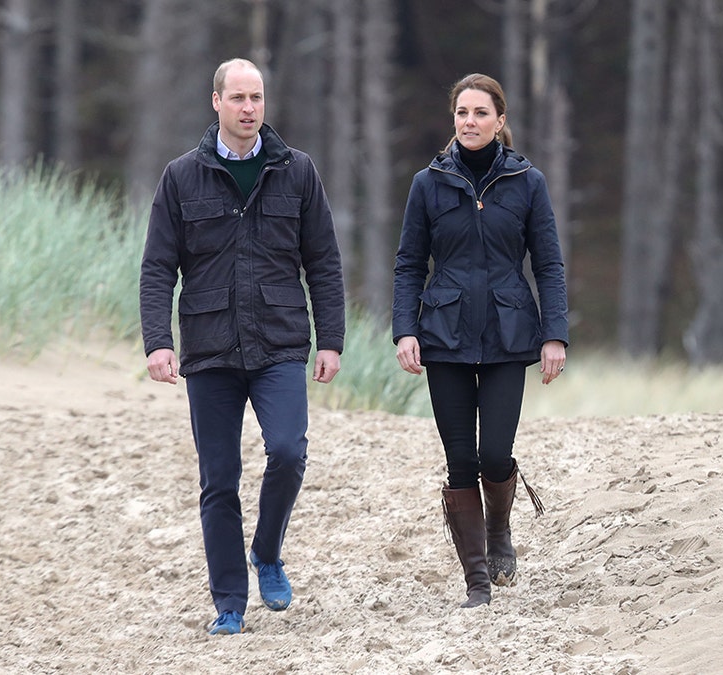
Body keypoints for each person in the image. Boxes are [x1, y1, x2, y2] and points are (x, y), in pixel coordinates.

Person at [140, 58, 345, 635]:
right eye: (238, 98)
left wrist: (330, 339)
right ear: (216, 102)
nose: (249, 108)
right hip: (208, 351)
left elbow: (323, 262)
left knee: (288, 451)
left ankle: (268, 551)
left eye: (256, 97)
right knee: (219, 479)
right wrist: (159, 342)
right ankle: (229, 602)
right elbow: (158, 267)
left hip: (280, 342)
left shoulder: (297, 171)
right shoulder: (181, 177)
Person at [392, 73, 567, 608]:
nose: (469, 122)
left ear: (500, 120)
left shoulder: (527, 183)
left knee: (495, 453)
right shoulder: (428, 183)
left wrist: (554, 335)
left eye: (480, 113)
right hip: (442, 335)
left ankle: (499, 533)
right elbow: (407, 264)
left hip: (508, 335)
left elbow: (550, 264)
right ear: (454, 120)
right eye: (462, 113)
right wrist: (404, 329)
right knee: (460, 460)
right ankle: (476, 581)